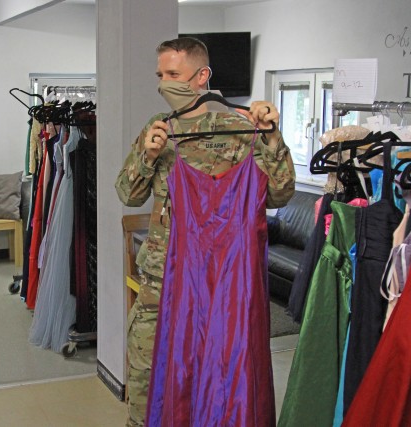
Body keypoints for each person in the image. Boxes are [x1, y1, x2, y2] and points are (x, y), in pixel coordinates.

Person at [115, 37, 295, 426]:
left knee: (218, 383)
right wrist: (147, 156)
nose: (164, 83)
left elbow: (280, 193)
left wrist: (272, 137)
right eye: (160, 75)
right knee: (146, 388)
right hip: (160, 284)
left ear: (201, 76)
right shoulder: (158, 129)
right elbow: (127, 195)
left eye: (173, 74)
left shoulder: (240, 128)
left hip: (222, 287)